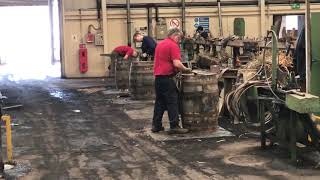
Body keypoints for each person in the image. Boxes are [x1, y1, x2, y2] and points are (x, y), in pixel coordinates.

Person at [152, 28, 192, 134]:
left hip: (158, 78)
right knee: (172, 102)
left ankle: (156, 125)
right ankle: (174, 126)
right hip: (167, 78)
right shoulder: (173, 45)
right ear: (175, 35)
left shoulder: (160, 44)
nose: (179, 40)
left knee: (159, 102)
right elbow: (176, 63)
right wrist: (186, 69)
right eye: (179, 38)